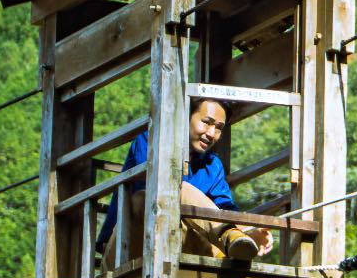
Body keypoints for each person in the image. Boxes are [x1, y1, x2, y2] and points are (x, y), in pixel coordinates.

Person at [97, 98, 273, 264]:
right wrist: (235, 229)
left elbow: (226, 208)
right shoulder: (152, 140)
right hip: (128, 249)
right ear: (185, 117)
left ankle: (232, 243)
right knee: (168, 191)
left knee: (193, 218)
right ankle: (228, 237)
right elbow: (155, 196)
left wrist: (251, 230)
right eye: (206, 122)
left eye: (219, 128)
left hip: (178, 246)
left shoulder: (212, 165)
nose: (212, 133)